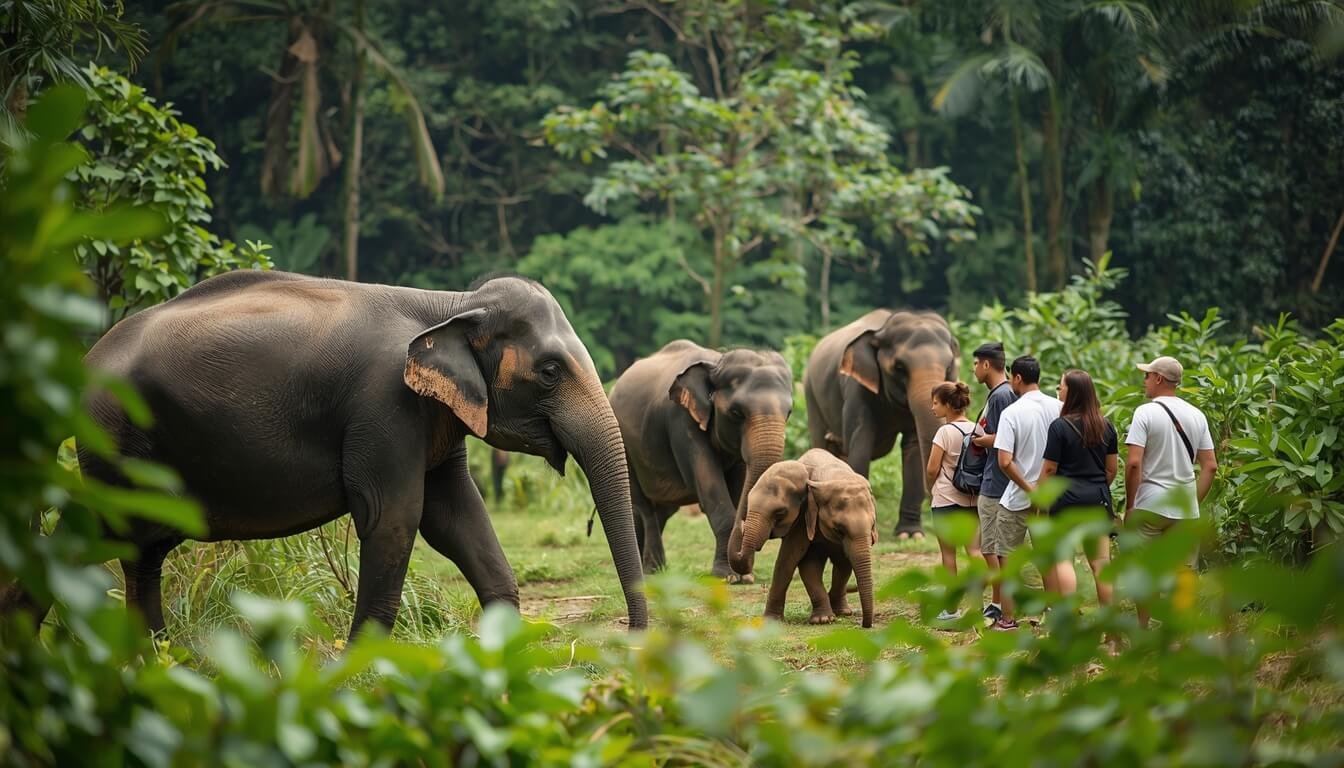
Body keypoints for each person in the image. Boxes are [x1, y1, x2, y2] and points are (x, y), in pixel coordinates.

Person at [1124, 355, 1218, 629]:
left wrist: (1130, 505)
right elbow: (1210, 466)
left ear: (1158, 379)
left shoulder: (1145, 412)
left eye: (1147, 376)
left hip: (1150, 504)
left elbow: (1133, 463)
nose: (1145, 382)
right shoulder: (1196, 415)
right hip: (1185, 507)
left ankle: (1144, 627)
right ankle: (1177, 632)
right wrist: (1191, 501)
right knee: (1183, 572)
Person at [991, 355, 1061, 630]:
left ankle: (1008, 620)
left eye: (1011, 377)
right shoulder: (1060, 407)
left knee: (1007, 558)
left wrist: (1029, 488)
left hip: (1017, 499)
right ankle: (1055, 614)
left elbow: (1004, 461)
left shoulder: (1012, 413)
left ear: (1017, 378)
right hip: (1051, 497)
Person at [1038, 369, 1118, 607]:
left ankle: (1070, 625)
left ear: (1071, 392)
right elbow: (1112, 469)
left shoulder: (1059, 427)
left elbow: (1050, 470)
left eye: (1060, 386)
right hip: (1097, 501)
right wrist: (1095, 486)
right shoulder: (1106, 426)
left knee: (1063, 560)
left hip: (1065, 501)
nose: (1058, 390)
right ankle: (1112, 634)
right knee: (1102, 564)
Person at [924, 381, 983, 621]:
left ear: (948, 405)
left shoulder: (944, 432)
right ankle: (979, 606)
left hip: (946, 501)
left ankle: (950, 609)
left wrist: (931, 487)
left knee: (948, 556)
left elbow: (931, 469)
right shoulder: (977, 429)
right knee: (975, 552)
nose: (932, 408)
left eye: (936, 403)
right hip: (972, 500)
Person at [971, 342, 1017, 623]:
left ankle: (1000, 603)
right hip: (999, 479)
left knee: (991, 548)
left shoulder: (1001, 396)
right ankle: (999, 601)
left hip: (996, 482)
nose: (973, 370)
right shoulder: (1005, 392)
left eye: (975, 364)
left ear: (986, 364)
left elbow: (1004, 440)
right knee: (995, 548)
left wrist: (981, 439)